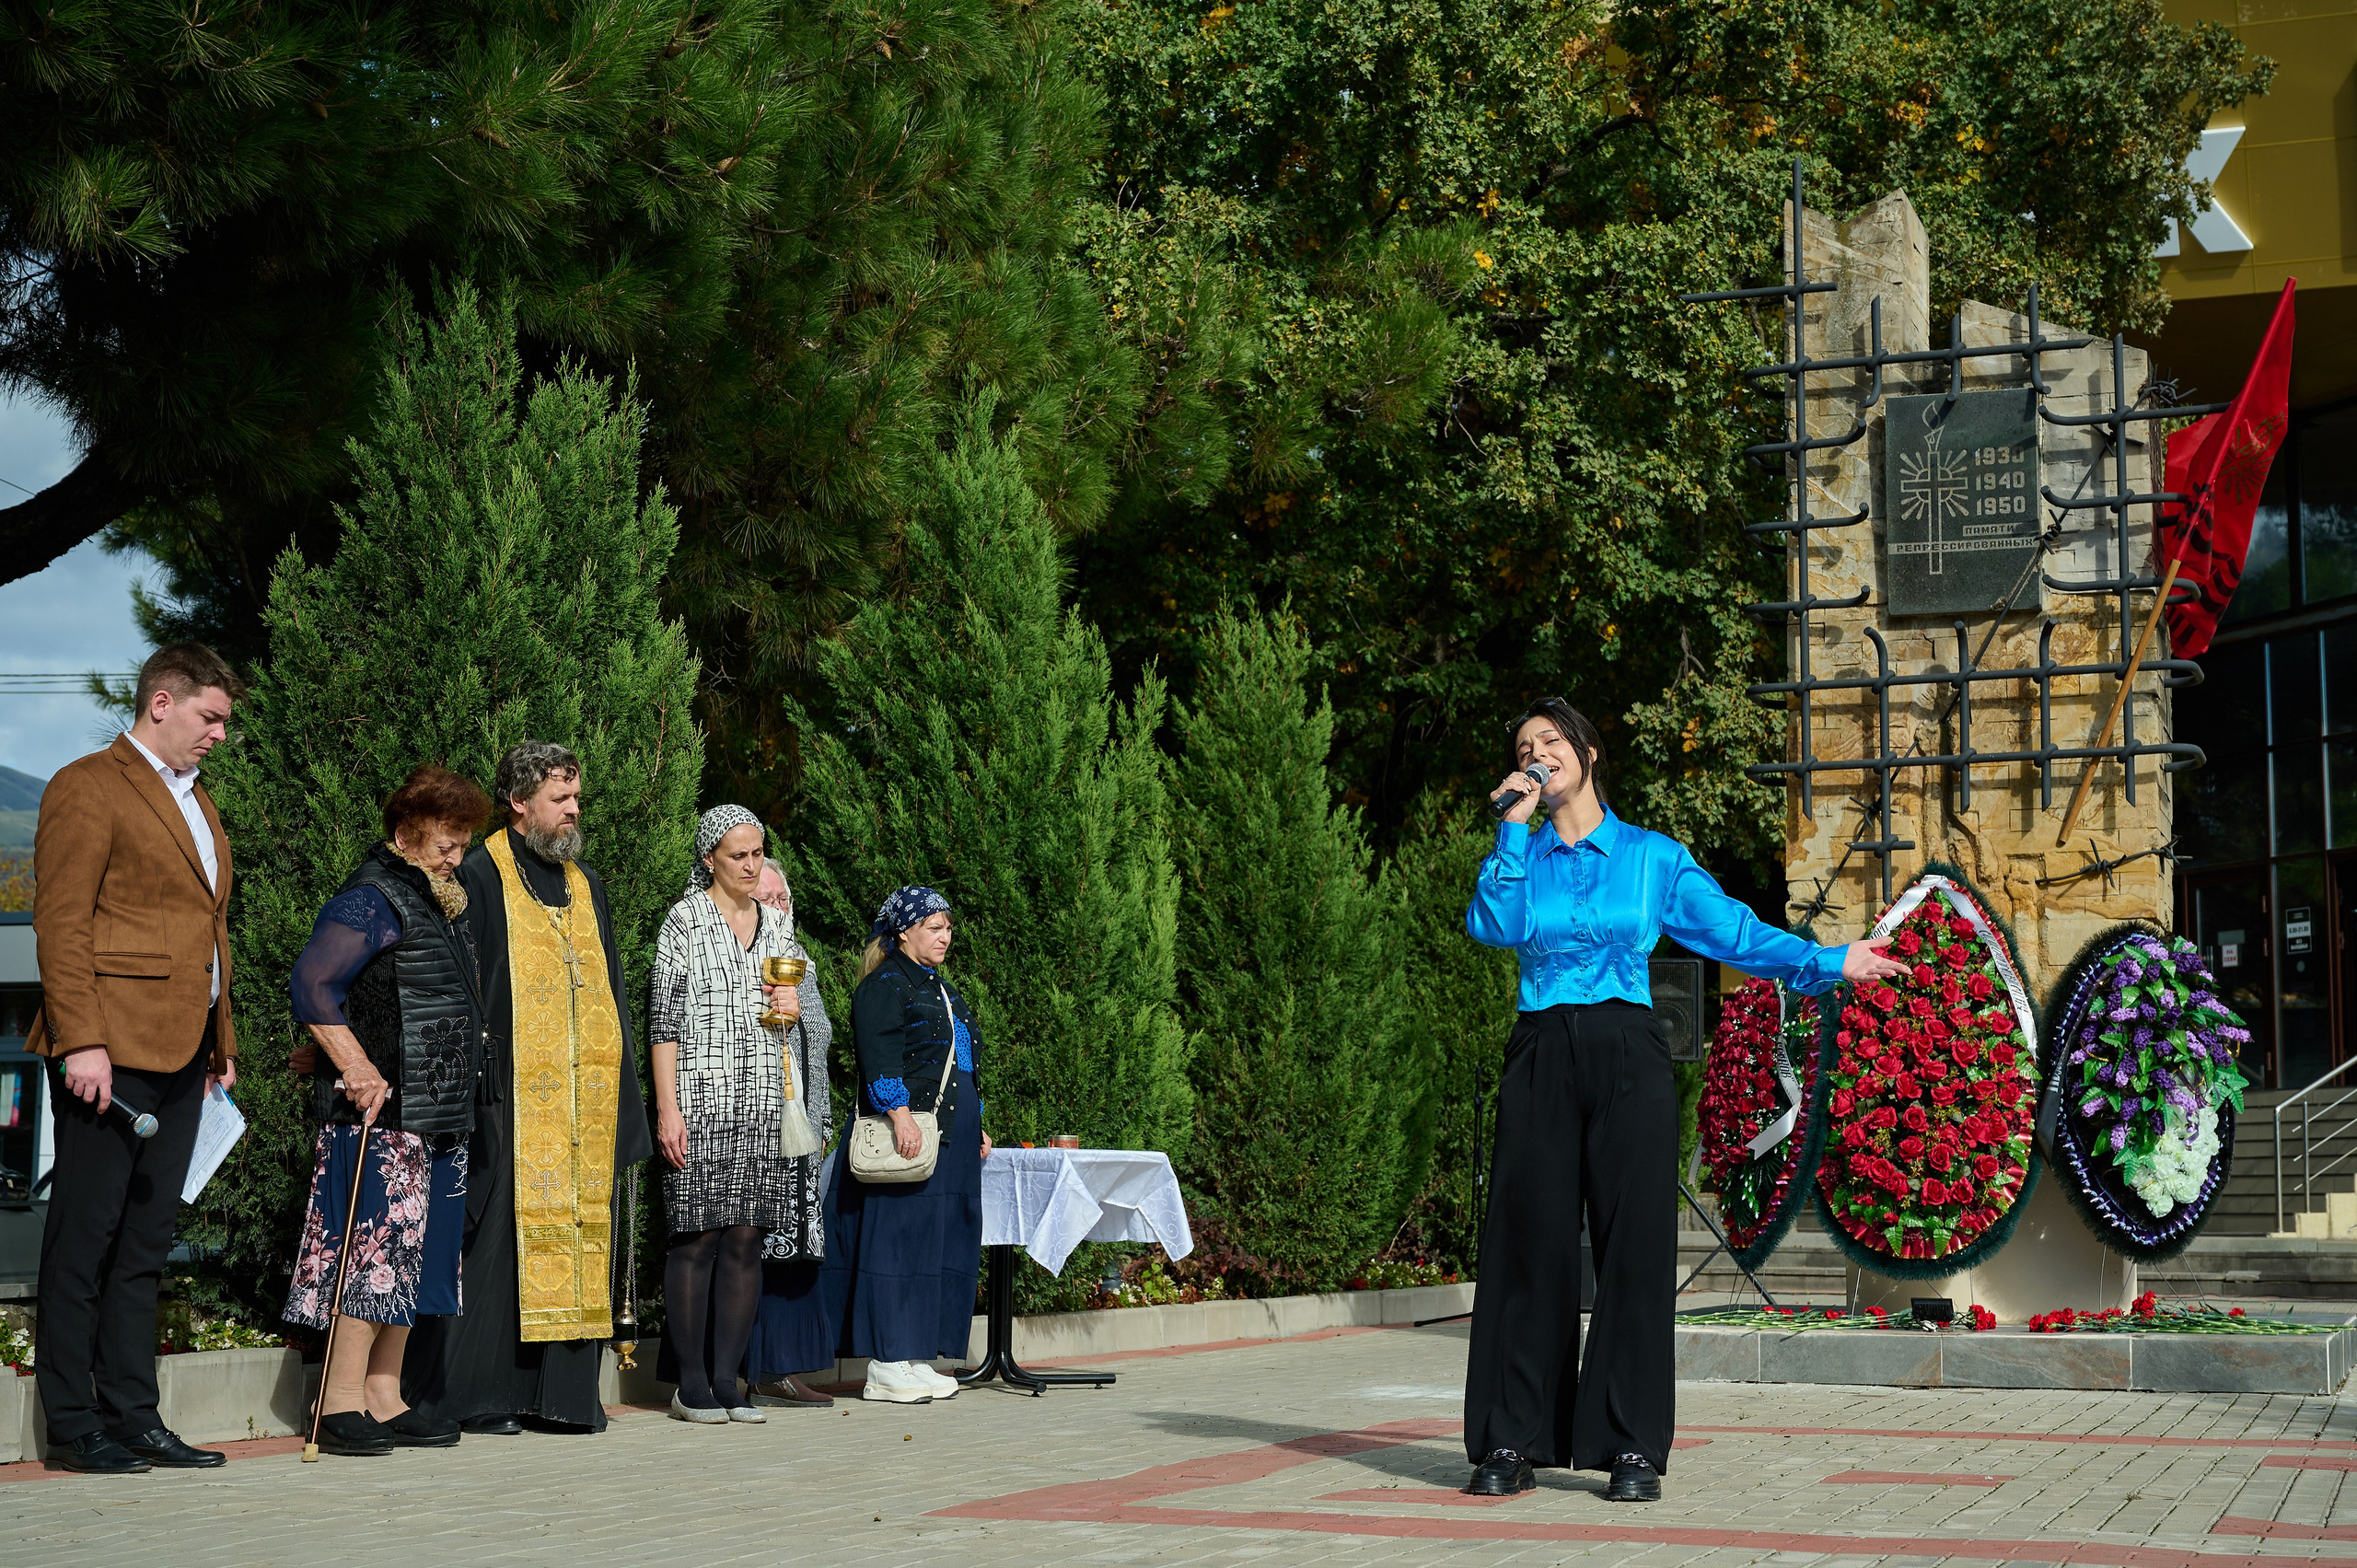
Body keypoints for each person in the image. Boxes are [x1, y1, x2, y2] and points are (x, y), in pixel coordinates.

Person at [1459, 697, 1910, 1503]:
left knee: (1634, 1249)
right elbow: (1493, 926)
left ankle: (1631, 1443)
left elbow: (1732, 932)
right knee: (1531, 1244)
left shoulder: (1652, 857)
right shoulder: (1520, 854)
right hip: (1539, 1053)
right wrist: (1511, 830)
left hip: (1629, 1053)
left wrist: (1828, 960)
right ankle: (1511, 1435)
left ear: (1589, 751)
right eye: (1523, 746)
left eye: (1551, 740)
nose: (1535, 754)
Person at [28, 644, 243, 1474]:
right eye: (210, 716)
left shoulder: (197, 799)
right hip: (108, 1053)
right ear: (161, 702)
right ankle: (73, 1423)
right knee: (84, 1239)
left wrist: (221, 1043)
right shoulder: (87, 785)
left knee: (146, 1243)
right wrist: (82, 1039)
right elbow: (62, 921)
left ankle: (134, 1415)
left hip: (185, 1051)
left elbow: (207, 931)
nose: (220, 733)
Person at [402, 741, 652, 1434]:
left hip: (584, 1102)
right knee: (496, 1246)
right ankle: (481, 1396)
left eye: (576, 798)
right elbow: (460, 984)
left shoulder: (584, 881)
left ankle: (563, 1398)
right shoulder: (481, 872)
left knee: (579, 1237)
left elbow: (612, 992)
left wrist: (623, 1096)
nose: (573, 810)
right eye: (559, 798)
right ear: (518, 802)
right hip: (509, 1096)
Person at [281, 765, 492, 1456]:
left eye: (462, 844)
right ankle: (339, 1396)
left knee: (416, 1255)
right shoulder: (373, 896)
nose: (455, 857)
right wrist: (353, 1063)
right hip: (383, 1111)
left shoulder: (431, 898)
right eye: (445, 844)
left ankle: (382, 1392)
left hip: (435, 1110)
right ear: (405, 835)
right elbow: (313, 982)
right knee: (374, 1253)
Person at [648, 808, 823, 1423]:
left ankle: (729, 1381)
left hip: (763, 1101)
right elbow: (663, 1023)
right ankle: (690, 1384)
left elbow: (790, 1012)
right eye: (737, 855)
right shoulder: (684, 920)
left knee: (747, 1240)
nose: (751, 866)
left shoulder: (777, 923)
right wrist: (667, 1109)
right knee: (697, 1238)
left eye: (757, 853)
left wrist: (790, 1005)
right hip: (699, 1101)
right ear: (709, 859)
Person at [814, 888, 990, 1404]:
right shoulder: (885, 984)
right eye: (933, 927)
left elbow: (962, 1064)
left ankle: (915, 1355)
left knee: (937, 1244)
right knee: (897, 1243)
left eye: (947, 927)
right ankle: (886, 1363)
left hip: (950, 1135)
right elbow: (879, 1057)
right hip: (908, 1131)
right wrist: (899, 1115)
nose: (944, 936)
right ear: (903, 932)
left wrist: (976, 1122)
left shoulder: (943, 988)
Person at [741, 856, 837, 1408]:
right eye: (766, 898)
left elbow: (818, 1044)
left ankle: (784, 1366)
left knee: (796, 1248)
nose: (777, 907)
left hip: (803, 1126)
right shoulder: (741, 958)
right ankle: (753, 1366)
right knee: (752, 1245)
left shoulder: (801, 962)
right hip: (754, 1122)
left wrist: (821, 1120)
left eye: (782, 899)